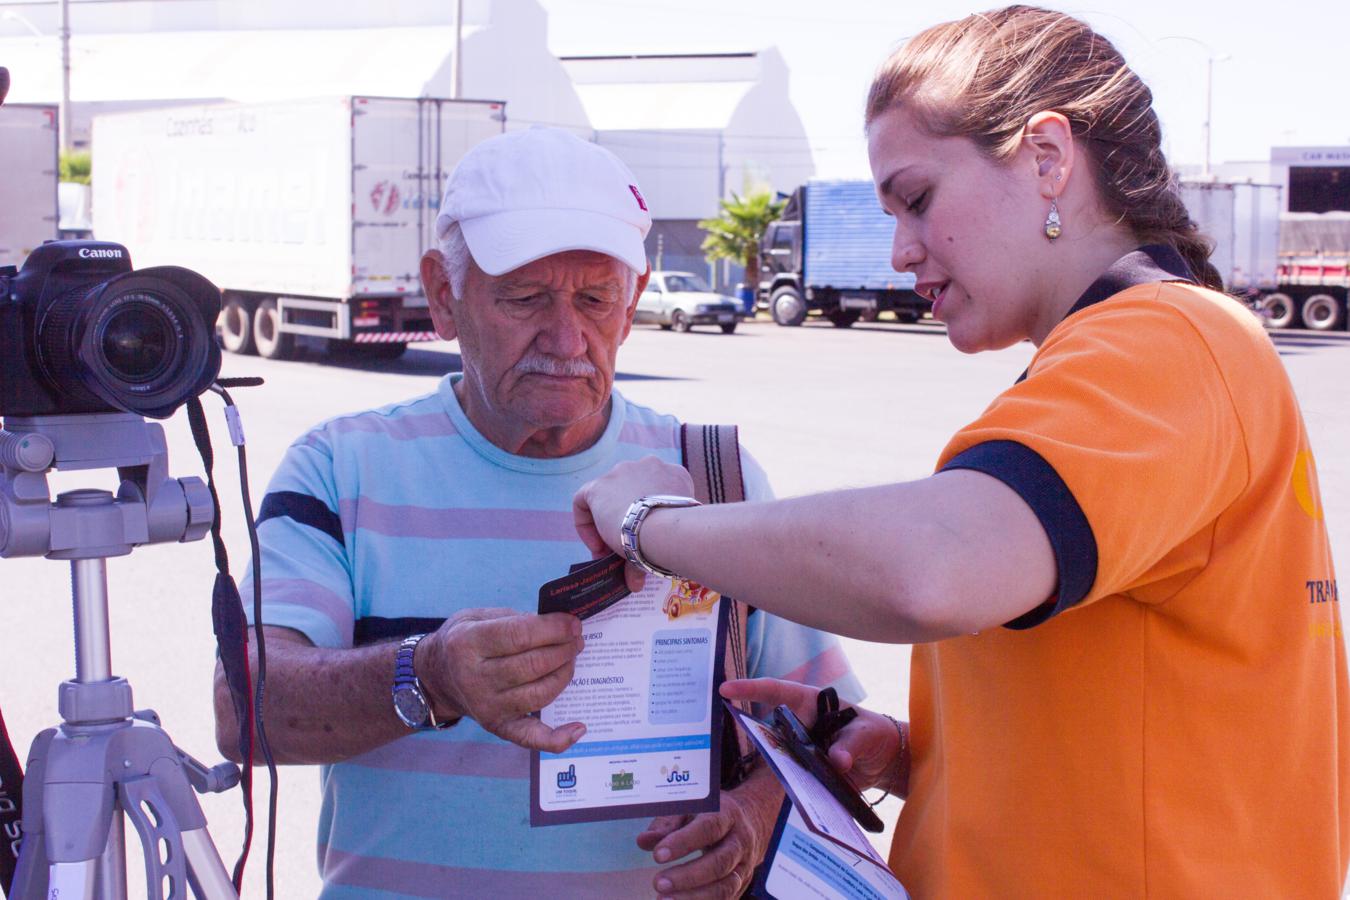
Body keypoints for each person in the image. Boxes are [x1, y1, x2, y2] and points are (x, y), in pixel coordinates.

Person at [572, 7, 1349, 897]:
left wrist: (656, 524)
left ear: (1049, 157)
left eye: (918, 198)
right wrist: (910, 755)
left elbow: (930, 571)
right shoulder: (1159, 354)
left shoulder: (1165, 342)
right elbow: (1159, 723)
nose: (901, 250)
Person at [213, 127, 861, 898]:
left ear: (635, 301)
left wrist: (751, 820)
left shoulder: (713, 481)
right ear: (443, 296)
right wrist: (428, 675)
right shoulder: (340, 469)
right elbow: (244, 709)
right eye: (524, 298)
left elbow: (826, 727)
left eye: (595, 299)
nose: (566, 338)